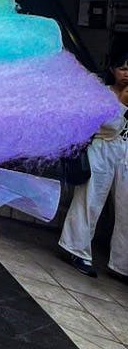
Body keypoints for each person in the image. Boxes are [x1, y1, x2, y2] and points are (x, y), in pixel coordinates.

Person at [58, 50, 128, 279]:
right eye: (123, 68)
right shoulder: (101, 92)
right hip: (101, 149)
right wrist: (124, 104)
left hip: (124, 152)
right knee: (90, 199)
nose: (127, 74)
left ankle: (122, 264)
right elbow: (107, 126)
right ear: (112, 69)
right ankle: (76, 249)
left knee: (126, 207)